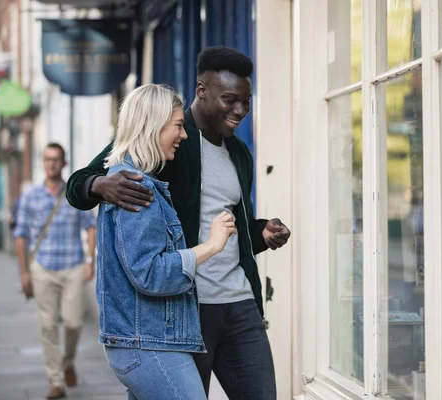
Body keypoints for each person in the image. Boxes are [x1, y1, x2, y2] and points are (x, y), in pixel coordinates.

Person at [66, 46, 290, 399]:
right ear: (202, 91)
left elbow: (229, 225)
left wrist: (260, 231)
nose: (240, 110)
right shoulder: (163, 139)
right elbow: (81, 182)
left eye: (246, 101)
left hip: (239, 302)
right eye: (230, 100)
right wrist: (100, 184)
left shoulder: (239, 153)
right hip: (187, 305)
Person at [97, 84, 237, 400]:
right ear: (153, 125)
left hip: (144, 342)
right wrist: (212, 246)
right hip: (148, 345)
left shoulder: (129, 180)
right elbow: (150, 274)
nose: (183, 135)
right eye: (177, 125)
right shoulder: (136, 188)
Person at [14, 143, 96, 400]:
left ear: (64, 163)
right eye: (47, 159)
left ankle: (67, 361)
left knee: (73, 323)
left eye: (56, 159)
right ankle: (56, 381)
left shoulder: (73, 194)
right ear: (43, 162)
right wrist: (24, 273)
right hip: (43, 269)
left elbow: (90, 226)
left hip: (72, 266)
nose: (51, 164)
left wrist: (89, 261)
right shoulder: (31, 196)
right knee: (48, 326)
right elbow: (21, 236)